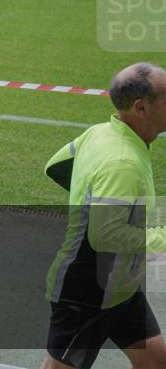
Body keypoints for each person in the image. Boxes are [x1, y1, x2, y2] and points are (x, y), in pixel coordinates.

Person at [41, 63, 166, 369]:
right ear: (141, 107)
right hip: (87, 293)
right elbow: (105, 235)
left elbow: (55, 166)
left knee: (157, 362)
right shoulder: (123, 161)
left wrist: (90, 200)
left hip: (121, 287)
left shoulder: (100, 133)